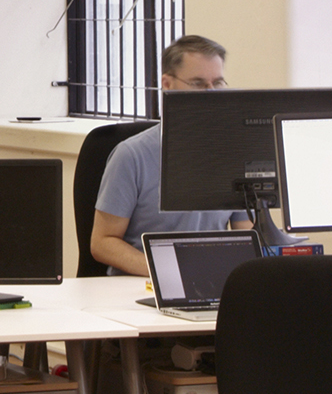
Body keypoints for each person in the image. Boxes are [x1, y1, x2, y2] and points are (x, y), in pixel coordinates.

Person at [89, 35, 242, 278]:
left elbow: (249, 234)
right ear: (167, 85)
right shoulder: (132, 156)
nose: (210, 93)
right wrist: (168, 274)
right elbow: (103, 242)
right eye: (198, 83)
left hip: (207, 284)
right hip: (140, 286)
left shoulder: (231, 155)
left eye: (218, 83)